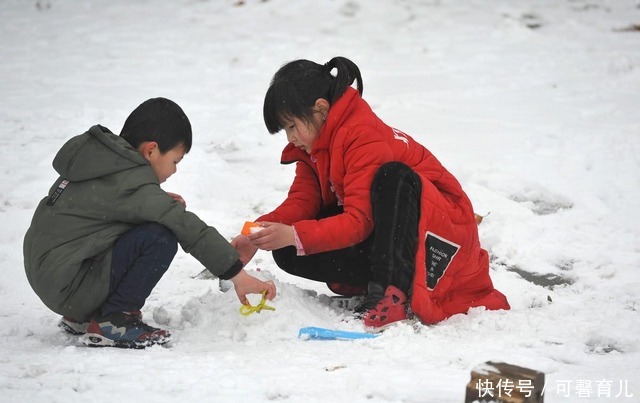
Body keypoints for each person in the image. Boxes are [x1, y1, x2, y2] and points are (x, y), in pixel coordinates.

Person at [232, 57, 509, 329]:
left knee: (392, 177)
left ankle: (393, 293)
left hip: (443, 234)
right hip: (396, 235)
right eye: (285, 130)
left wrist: (293, 233)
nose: (290, 138)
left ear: (321, 109)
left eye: (292, 126)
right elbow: (303, 200)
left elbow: (359, 221)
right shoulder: (313, 147)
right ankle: (378, 282)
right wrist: (258, 233)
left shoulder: (362, 135)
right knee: (288, 249)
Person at [23, 97, 276, 349]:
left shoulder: (101, 162)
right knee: (160, 236)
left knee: (154, 220)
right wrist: (235, 273)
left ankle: (82, 316)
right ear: (151, 150)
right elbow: (187, 227)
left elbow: (96, 208)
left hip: (52, 275)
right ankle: (114, 320)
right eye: (175, 161)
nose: (174, 171)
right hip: (71, 287)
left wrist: (155, 200)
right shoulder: (132, 184)